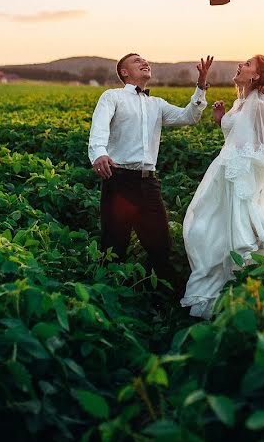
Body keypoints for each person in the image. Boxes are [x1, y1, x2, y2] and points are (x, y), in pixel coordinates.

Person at [88, 53, 213, 294]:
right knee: (114, 246)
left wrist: (201, 85)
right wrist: (99, 154)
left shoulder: (157, 104)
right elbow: (99, 128)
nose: (145, 62)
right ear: (124, 73)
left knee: (160, 245)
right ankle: (105, 298)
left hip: (148, 184)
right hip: (119, 181)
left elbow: (189, 117)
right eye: (137, 61)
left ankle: (158, 300)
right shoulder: (112, 97)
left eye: (145, 60)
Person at [181, 55, 264, 318]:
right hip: (225, 175)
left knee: (234, 232)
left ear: (255, 76)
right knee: (206, 229)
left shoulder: (262, 107)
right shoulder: (240, 104)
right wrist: (222, 121)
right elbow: (239, 136)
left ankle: (243, 298)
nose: (240, 66)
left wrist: (240, 172)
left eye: (246, 64)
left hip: (241, 179)